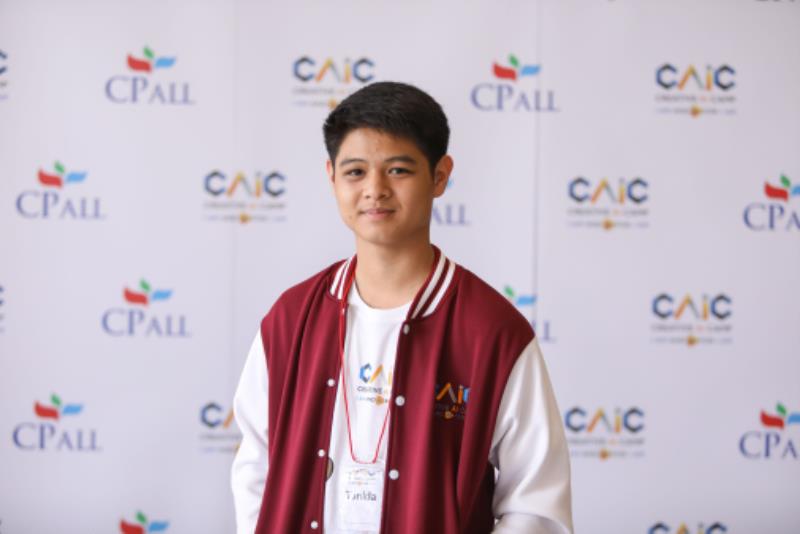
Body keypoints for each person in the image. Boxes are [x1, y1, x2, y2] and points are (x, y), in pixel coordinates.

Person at [231, 81, 573, 534]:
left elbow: (535, 503)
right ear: (331, 177)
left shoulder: (491, 331)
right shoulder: (291, 319)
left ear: (440, 176)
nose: (375, 189)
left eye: (398, 170)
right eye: (355, 171)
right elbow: (256, 467)